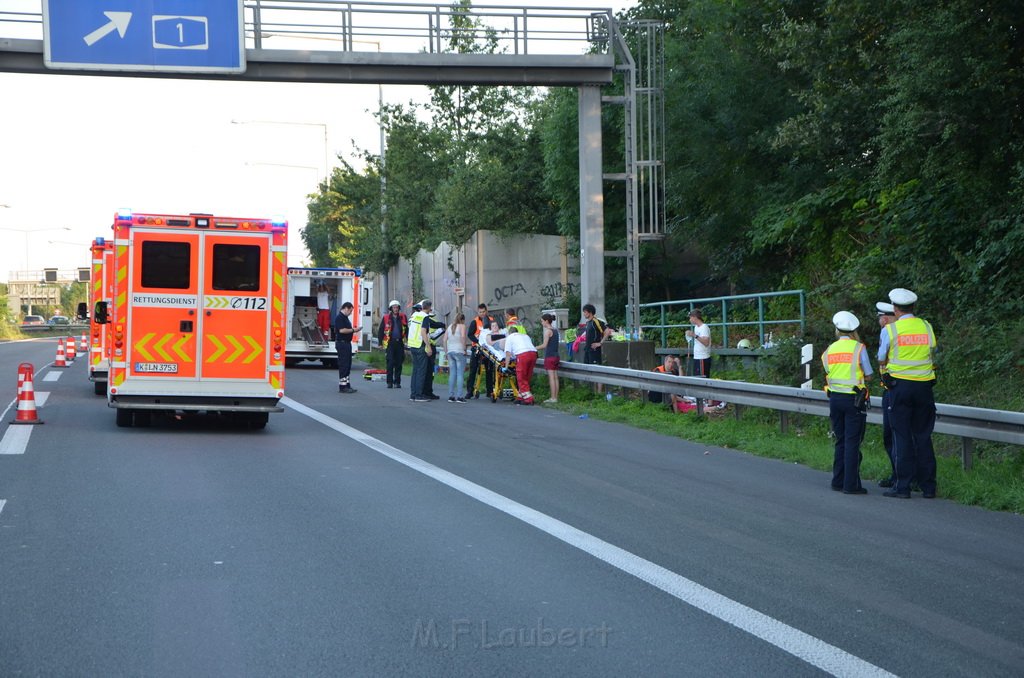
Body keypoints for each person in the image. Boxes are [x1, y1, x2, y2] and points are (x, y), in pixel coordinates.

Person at [879, 288, 938, 499]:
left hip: (899, 387)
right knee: (923, 435)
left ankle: (902, 486)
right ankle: (928, 487)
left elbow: (881, 357)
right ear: (913, 307)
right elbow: (932, 350)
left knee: (901, 435)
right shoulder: (926, 326)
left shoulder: (891, 330)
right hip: (924, 386)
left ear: (895, 308)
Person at [823, 311, 873, 494]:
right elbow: (868, 374)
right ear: (854, 331)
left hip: (835, 399)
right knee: (852, 442)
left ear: (837, 330)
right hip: (854, 400)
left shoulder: (829, 350)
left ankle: (837, 481)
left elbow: (828, 370)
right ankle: (851, 485)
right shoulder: (859, 348)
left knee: (840, 440)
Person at [874, 301, 898, 488]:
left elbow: (881, 358)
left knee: (891, 436)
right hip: (917, 385)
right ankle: (909, 477)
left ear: (886, 317)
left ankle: (898, 476)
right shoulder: (911, 329)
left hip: (892, 389)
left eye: (880, 317)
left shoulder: (888, 331)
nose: (880, 321)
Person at [467, 303, 499, 398]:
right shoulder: (475, 322)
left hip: (489, 349)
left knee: (489, 370)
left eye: (484, 312)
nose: (482, 313)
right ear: (478, 312)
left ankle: (490, 391)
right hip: (477, 348)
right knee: (473, 370)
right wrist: (478, 341)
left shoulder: (492, 321)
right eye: (480, 312)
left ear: (486, 311)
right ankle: (469, 391)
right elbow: (470, 334)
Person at [504, 325, 539, 405]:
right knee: (527, 376)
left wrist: (506, 367)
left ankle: (528, 398)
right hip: (533, 354)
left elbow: (508, 353)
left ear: (509, 333)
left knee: (521, 377)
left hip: (523, 355)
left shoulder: (510, 337)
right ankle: (520, 396)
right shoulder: (525, 336)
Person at [377, 300, 407, 389]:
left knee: (399, 363)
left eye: (397, 307)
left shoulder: (403, 317)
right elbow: (381, 330)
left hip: (400, 343)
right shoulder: (386, 318)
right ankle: (389, 382)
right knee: (390, 363)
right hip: (390, 343)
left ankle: (397, 382)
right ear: (391, 309)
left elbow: (407, 329)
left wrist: (408, 340)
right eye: (394, 307)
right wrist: (380, 342)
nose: (396, 309)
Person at [406, 301, 432, 402]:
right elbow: (423, 332)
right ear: (429, 307)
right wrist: (428, 346)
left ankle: (413, 394)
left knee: (415, 371)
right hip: (420, 346)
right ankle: (419, 395)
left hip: (412, 345)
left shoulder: (414, 315)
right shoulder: (425, 317)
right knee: (421, 371)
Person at [334, 301, 360, 393]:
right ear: (346, 308)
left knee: (348, 365)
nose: (351, 313)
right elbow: (342, 330)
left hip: (347, 343)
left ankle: (347, 384)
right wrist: (354, 330)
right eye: (350, 311)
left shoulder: (345, 318)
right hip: (342, 343)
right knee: (344, 365)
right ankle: (343, 386)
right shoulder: (339, 318)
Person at [422, 301, 445, 400]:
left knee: (430, 371)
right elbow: (434, 326)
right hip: (428, 346)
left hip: (431, 345)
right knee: (427, 371)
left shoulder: (429, 319)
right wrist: (442, 325)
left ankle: (428, 391)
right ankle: (425, 391)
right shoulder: (426, 319)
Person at [537, 313, 560, 403]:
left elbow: (544, 345)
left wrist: (533, 347)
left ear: (546, 321)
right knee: (555, 377)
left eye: (542, 321)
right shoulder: (555, 330)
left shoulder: (548, 331)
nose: (542, 323)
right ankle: (556, 397)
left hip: (549, 356)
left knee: (551, 378)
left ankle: (553, 398)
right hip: (556, 356)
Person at [445, 312, 468, 403]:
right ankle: (459, 396)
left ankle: (451, 395)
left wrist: (446, 352)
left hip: (450, 351)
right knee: (460, 374)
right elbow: (462, 337)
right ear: (462, 320)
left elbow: (444, 339)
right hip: (459, 351)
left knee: (452, 374)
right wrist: (464, 348)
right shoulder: (462, 326)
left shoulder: (450, 326)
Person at [685, 309, 712, 377]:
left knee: (702, 378)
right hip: (697, 357)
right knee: (697, 378)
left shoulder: (704, 327)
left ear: (695, 317)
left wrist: (694, 335)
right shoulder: (696, 327)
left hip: (702, 357)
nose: (690, 319)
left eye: (690, 317)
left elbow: (706, 343)